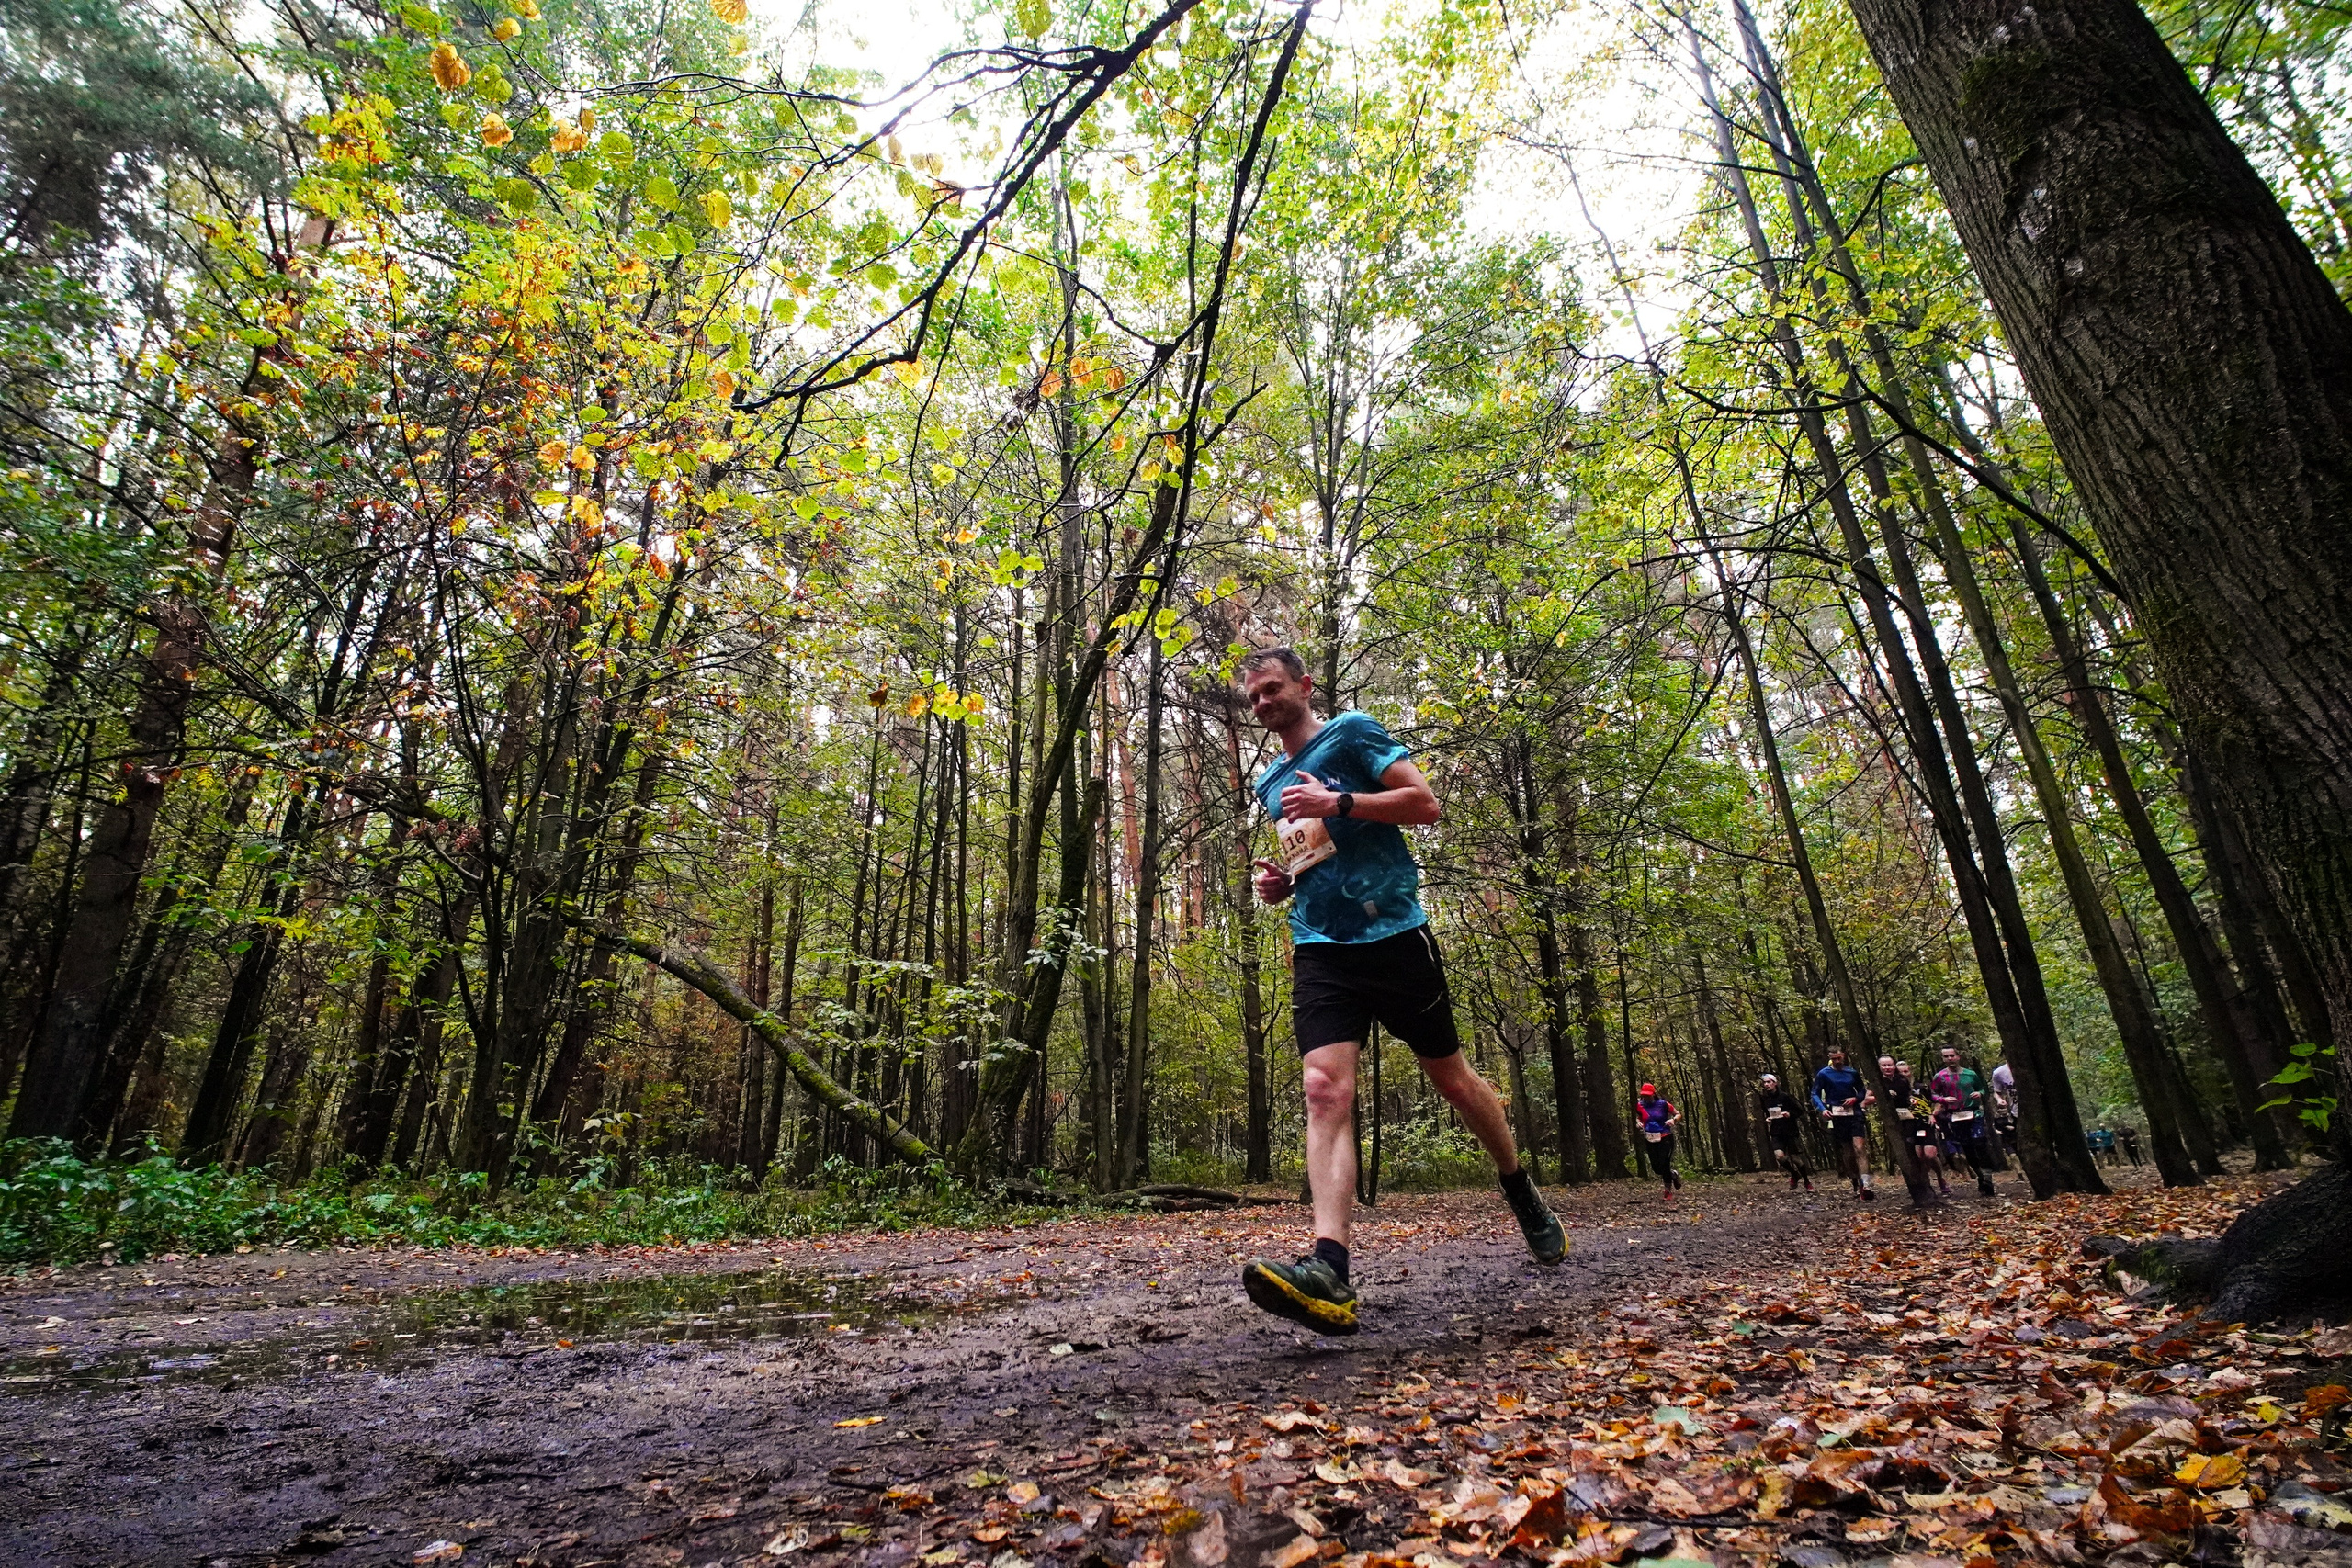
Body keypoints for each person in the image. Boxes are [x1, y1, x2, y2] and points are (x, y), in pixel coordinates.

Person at [1235, 648, 1565, 1335]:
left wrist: (1340, 798)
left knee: (1452, 1078)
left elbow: (1425, 803)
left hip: (1395, 936)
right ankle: (1330, 1269)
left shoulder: (1352, 732)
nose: (1263, 703)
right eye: (1254, 698)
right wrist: (1280, 884)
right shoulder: (1269, 781)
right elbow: (1311, 856)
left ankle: (1516, 1183)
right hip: (1320, 947)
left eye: (1272, 689)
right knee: (1324, 1089)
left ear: (1304, 684)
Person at [1930, 1045, 1999, 1197]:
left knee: (1979, 1141)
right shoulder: (1940, 1077)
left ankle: (1987, 1176)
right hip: (1955, 1116)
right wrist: (1943, 1099)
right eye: (1946, 1056)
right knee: (1967, 1148)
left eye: (1952, 1055)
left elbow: (1983, 1090)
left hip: (1974, 1113)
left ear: (1958, 1056)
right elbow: (1933, 1094)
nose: (1950, 1059)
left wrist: (1979, 1093)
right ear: (1943, 1059)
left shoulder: (1970, 1074)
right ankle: (1981, 1177)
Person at [1811, 1046, 1876, 1200]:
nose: (1837, 1061)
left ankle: (1866, 1184)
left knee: (1859, 1148)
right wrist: (1822, 1109)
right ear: (1830, 1058)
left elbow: (1861, 1091)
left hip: (1854, 1113)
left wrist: (1855, 1099)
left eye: (1839, 1058)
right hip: (1837, 1116)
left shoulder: (1852, 1072)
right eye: (1834, 1059)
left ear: (1844, 1056)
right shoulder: (1824, 1074)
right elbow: (1814, 1093)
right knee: (1847, 1152)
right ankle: (1855, 1180)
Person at [1883, 1055, 1951, 1197]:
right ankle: (1926, 1185)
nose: (1903, 1075)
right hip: (1909, 1125)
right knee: (1919, 1157)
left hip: (1925, 1123)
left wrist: (1933, 1114)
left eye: (1906, 1072)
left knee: (1930, 1155)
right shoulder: (1895, 1088)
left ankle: (1941, 1179)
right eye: (1900, 1072)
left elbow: (1937, 1100)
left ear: (1910, 1071)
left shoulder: (1922, 1087)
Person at [1758, 1073, 1813, 1191]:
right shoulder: (1764, 1099)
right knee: (1779, 1157)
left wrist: (1789, 1114)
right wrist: (1768, 1119)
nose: (1766, 1085)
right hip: (1776, 1131)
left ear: (1775, 1083)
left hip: (1790, 1130)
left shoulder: (1785, 1097)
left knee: (1796, 1160)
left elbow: (1799, 1111)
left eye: (1769, 1082)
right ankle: (1794, 1174)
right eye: (1764, 1083)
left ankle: (1807, 1182)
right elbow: (1767, 1113)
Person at [1634, 1083, 1684, 1199]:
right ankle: (1673, 1174)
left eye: (1648, 1095)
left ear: (1653, 1094)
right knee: (1656, 1168)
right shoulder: (1640, 1105)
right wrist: (1638, 1123)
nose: (1646, 1098)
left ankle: (1667, 1190)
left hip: (1665, 1137)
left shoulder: (1663, 1104)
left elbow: (1678, 1114)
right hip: (1650, 1138)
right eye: (1644, 1096)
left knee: (1664, 1162)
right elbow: (1639, 1117)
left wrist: (1673, 1120)